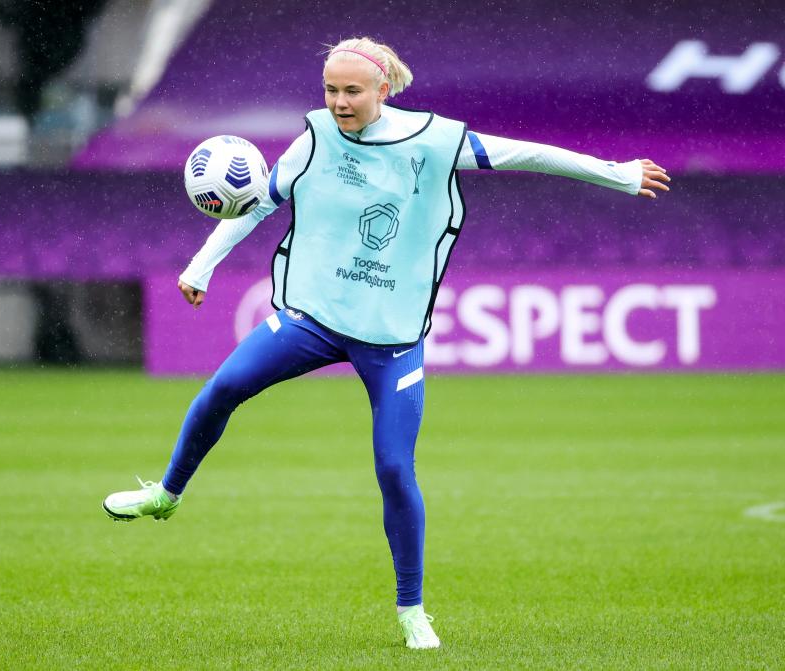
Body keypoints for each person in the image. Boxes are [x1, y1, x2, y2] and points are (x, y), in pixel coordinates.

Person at [103, 36, 671, 649]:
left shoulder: (435, 139)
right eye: (331, 89)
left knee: (395, 467)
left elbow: (528, 155)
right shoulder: (314, 138)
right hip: (314, 318)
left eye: (352, 90)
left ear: (383, 90)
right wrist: (201, 265)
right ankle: (166, 494)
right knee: (223, 389)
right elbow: (262, 201)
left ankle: (411, 611)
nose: (340, 101)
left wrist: (618, 174)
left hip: (393, 338)